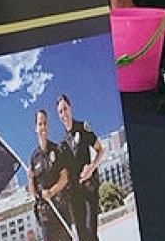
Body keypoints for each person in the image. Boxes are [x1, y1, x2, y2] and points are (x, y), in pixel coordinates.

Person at [57, 94, 104, 241]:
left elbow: (100, 150)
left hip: (89, 189)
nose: (64, 113)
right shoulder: (62, 143)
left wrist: (91, 168)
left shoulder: (82, 128)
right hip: (75, 195)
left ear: (70, 108)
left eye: (65, 109)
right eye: (60, 111)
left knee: (91, 232)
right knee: (83, 236)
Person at [28, 110, 71, 241]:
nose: (43, 127)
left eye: (45, 123)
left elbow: (64, 178)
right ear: (35, 127)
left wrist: (51, 192)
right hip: (45, 215)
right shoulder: (34, 158)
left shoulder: (56, 150)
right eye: (40, 124)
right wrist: (30, 178)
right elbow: (33, 192)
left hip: (60, 210)